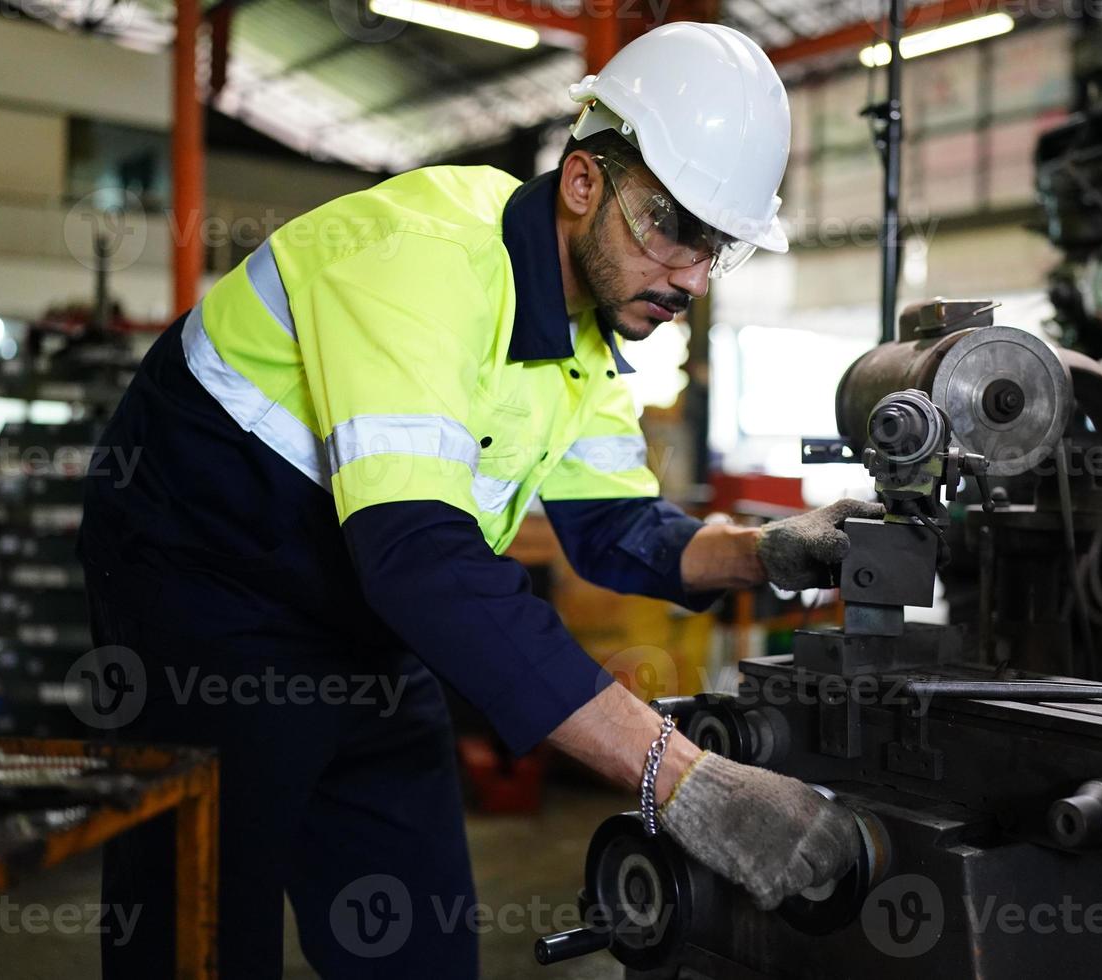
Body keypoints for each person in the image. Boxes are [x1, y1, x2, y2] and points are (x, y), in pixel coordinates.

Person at [79, 21, 880, 978]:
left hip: (365, 616)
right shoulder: (423, 259)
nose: (693, 279)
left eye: (722, 251)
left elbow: (619, 528)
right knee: (202, 932)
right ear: (584, 182)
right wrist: (690, 782)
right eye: (676, 230)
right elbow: (422, 558)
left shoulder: (591, 337)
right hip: (206, 593)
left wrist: (769, 551)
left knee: (418, 941)